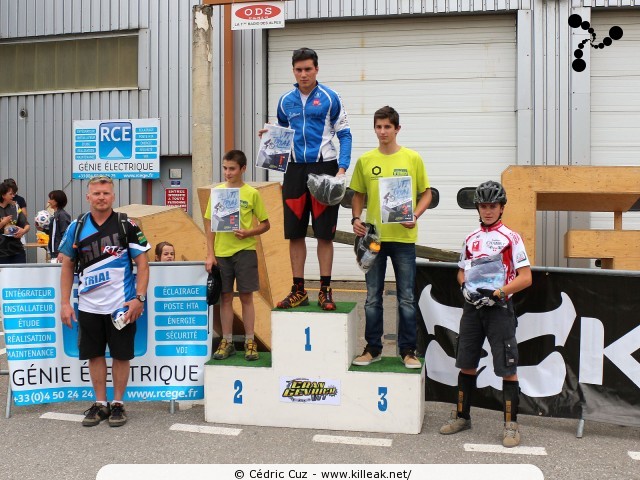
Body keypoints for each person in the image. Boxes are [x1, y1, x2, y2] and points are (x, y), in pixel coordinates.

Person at [439, 180, 532, 448]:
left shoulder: (511, 238)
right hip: (472, 308)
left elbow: (526, 277)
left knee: (507, 367)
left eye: (493, 206)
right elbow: (461, 271)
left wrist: (500, 293)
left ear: (502, 208)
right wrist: (464, 288)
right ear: (477, 208)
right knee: (466, 362)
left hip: (499, 308)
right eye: (483, 206)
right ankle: (461, 415)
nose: (488, 211)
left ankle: (511, 425)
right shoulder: (470, 238)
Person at [263, 47, 352, 311]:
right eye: (299, 70)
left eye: (308, 69)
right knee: (295, 233)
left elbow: (345, 134)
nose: (304, 74)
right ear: (293, 71)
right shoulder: (284, 101)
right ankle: (298, 289)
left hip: (325, 167)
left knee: (325, 234)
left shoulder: (330, 97)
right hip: (294, 170)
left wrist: (342, 169)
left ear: (316, 69)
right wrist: (269, 136)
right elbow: (282, 133)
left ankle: (325, 289)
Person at [58, 175, 150, 427]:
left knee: (121, 356)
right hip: (88, 306)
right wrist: (65, 303)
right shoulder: (76, 227)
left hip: (121, 306)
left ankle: (118, 404)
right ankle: (100, 404)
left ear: (113, 196)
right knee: (94, 355)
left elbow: (143, 263)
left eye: (106, 193)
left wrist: (139, 298)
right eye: (96, 193)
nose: (101, 197)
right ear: (88, 196)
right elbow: (67, 264)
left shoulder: (127, 225)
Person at [350, 106, 432, 369]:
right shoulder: (365, 161)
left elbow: (426, 193)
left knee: (406, 297)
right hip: (374, 239)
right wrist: (355, 219)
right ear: (374, 128)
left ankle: (408, 351)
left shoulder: (412, 158)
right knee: (373, 296)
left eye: (387, 127)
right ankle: (372, 348)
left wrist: (415, 215)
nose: (383, 131)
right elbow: (358, 194)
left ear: (397, 129)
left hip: (404, 240)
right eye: (378, 126)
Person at [204, 150, 270, 361]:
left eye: (232, 168)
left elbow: (266, 224)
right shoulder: (217, 193)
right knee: (224, 298)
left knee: (246, 297)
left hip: (245, 251)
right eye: (225, 168)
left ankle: (250, 341)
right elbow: (209, 224)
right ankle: (227, 341)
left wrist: (248, 232)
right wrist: (209, 254)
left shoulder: (252, 193)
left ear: (243, 169)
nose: (227, 172)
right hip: (221, 253)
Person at [0, 181, 30, 263]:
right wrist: (3, 223)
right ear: (3, 195)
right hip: (1, 254)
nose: (13, 196)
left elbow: (27, 225)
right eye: (11, 194)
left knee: (21, 275)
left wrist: (23, 231)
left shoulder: (16, 207)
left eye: (14, 193)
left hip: (17, 252)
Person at [43, 190, 71, 263]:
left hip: (59, 255)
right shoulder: (55, 215)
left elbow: (66, 235)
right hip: (54, 254)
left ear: (57, 201)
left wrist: (62, 251)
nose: (49, 201)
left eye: (51, 199)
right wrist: (42, 229)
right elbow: (54, 233)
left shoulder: (62, 215)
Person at [3, 178, 28, 245]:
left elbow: (24, 215)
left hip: (17, 232)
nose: (12, 196)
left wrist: (22, 228)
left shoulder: (19, 200)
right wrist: (3, 222)